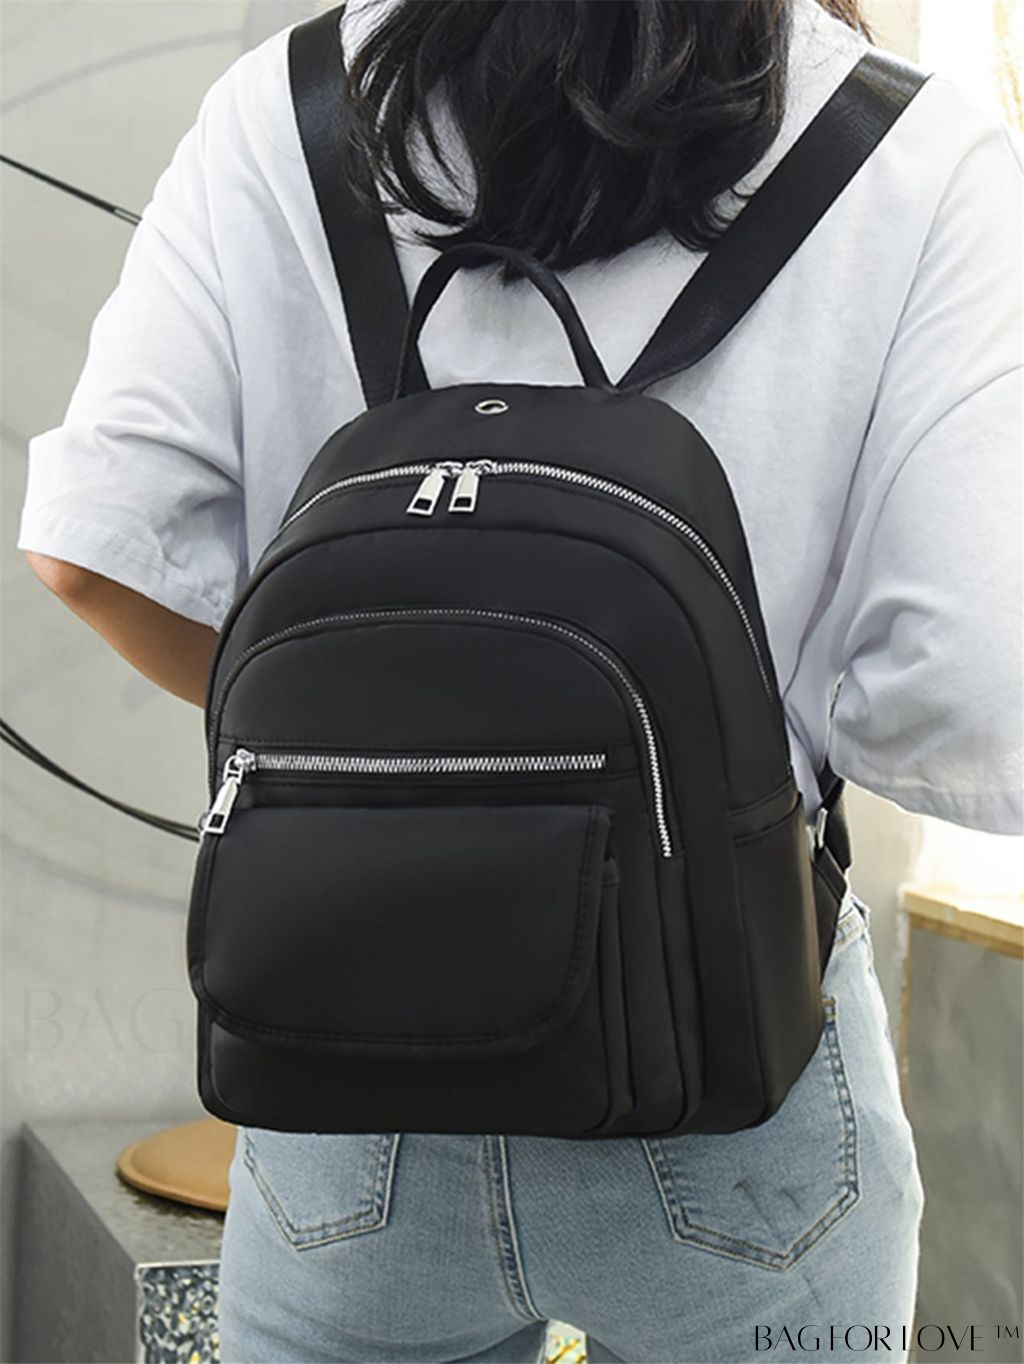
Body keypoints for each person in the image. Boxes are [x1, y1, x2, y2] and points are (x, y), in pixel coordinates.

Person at [17, 0, 1021, 1359]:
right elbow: (972, 700)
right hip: (730, 1033)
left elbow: (90, 551)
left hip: (350, 1042)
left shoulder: (288, 106)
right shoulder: (915, 149)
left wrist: (379, 755)